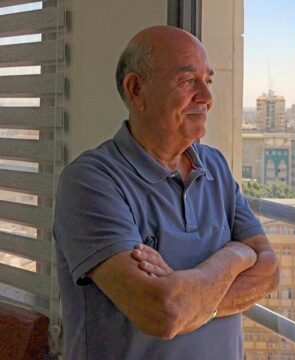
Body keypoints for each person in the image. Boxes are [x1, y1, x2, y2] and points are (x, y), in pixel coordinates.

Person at [53, 25, 279, 360]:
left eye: (208, 80)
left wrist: (191, 295)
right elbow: (163, 313)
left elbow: (270, 272)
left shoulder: (215, 165)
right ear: (136, 89)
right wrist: (236, 256)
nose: (206, 97)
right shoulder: (91, 181)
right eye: (189, 81)